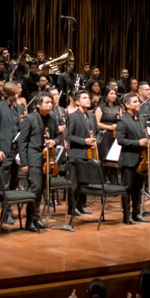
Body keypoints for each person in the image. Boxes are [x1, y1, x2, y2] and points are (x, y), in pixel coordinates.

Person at [18, 91, 59, 232]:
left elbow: (59, 137)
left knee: (41, 190)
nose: (50, 105)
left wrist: (54, 141)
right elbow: (22, 142)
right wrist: (24, 163)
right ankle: (30, 220)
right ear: (38, 104)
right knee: (34, 189)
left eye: (51, 103)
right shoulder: (29, 118)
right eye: (47, 102)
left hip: (47, 158)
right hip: (33, 157)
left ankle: (37, 218)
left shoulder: (52, 118)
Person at [0, 81, 24, 224]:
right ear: (8, 94)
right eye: (15, 93)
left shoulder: (20, 108)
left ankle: (9, 208)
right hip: (4, 150)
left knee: (14, 183)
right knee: (4, 183)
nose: (17, 95)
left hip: (17, 150)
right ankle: (6, 212)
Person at [116, 93, 150, 224]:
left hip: (141, 159)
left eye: (138, 101)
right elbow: (120, 140)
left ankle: (137, 213)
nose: (138, 104)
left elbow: (144, 136)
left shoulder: (142, 119)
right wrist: (138, 143)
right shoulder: (123, 120)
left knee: (138, 188)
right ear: (127, 105)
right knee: (127, 189)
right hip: (129, 159)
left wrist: (147, 141)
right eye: (135, 102)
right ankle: (126, 215)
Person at [66, 89, 99, 217]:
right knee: (74, 183)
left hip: (89, 154)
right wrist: (84, 141)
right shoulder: (72, 116)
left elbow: (97, 131)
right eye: (84, 98)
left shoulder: (92, 116)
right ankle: (72, 207)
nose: (88, 100)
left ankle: (82, 205)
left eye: (88, 98)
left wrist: (96, 141)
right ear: (77, 102)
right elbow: (68, 136)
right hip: (76, 154)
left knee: (85, 182)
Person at [95, 85, 121, 161]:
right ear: (106, 95)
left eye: (115, 94)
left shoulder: (118, 107)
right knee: (105, 157)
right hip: (104, 133)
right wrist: (110, 127)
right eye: (111, 94)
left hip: (116, 133)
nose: (114, 96)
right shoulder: (101, 107)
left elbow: (121, 120)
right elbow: (97, 123)